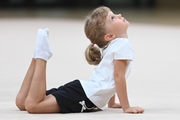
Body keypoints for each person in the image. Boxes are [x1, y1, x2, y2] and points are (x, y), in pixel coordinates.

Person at [15, 6, 144, 114]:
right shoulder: (123, 45)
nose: (119, 14)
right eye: (113, 17)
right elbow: (118, 77)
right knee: (33, 106)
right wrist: (126, 106)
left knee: (23, 102)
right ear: (109, 36)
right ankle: (41, 56)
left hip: (81, 89)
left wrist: (111, 103)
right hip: (85, 96)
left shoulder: (113, 45)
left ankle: (36, 55)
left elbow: (109, 76)